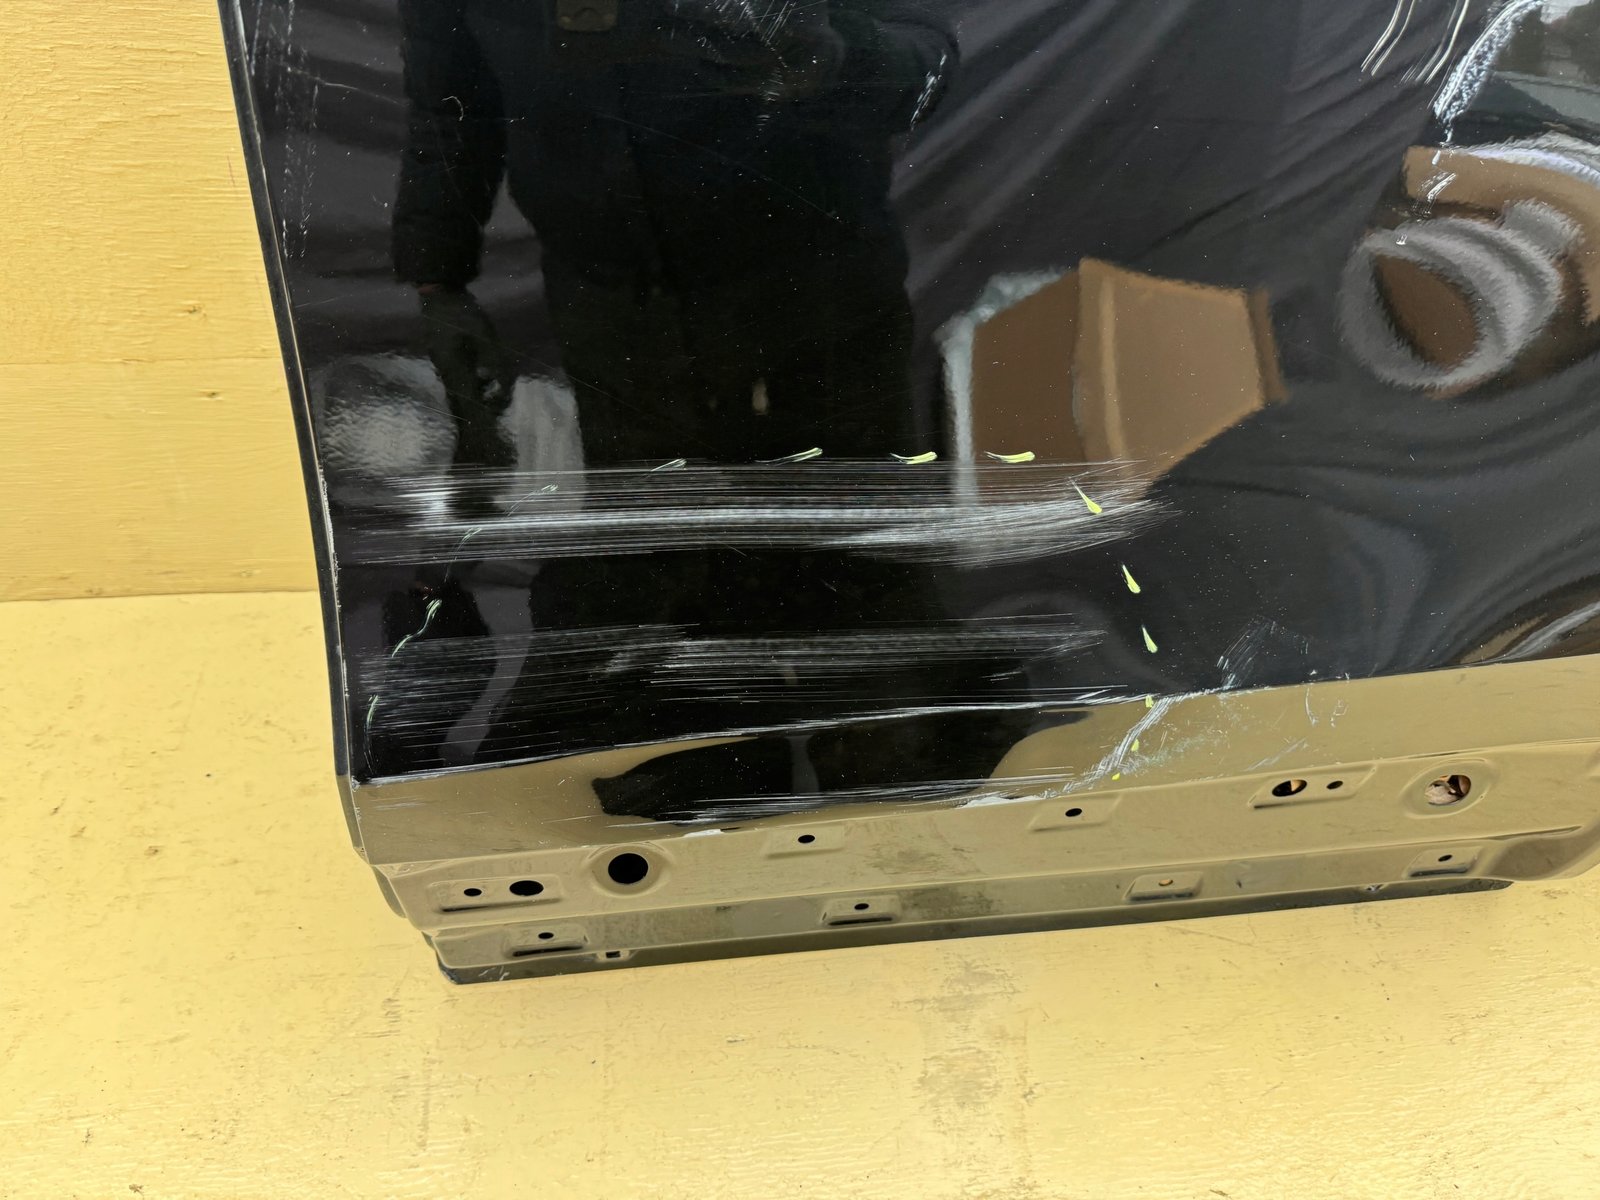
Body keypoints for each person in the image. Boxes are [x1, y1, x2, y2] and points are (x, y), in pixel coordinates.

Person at [392, 0, 960, 469]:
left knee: (844, 553)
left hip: (815, 310)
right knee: (653, 553)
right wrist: (438, 283)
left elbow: (926, 61)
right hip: (613, 325)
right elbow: (449, 109)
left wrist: (835, 56)